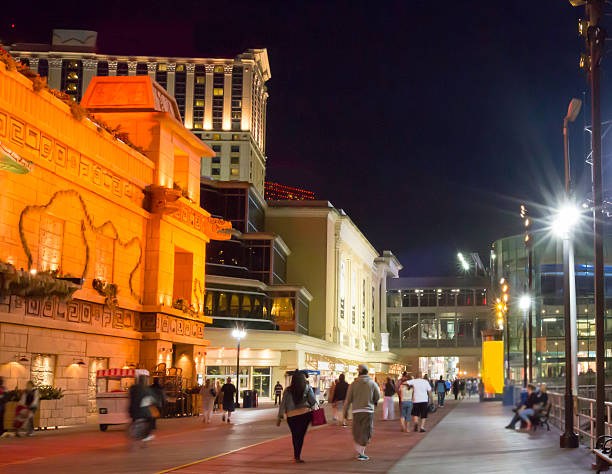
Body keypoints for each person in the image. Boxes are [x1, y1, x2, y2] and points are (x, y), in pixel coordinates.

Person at [277, 370, 316, 463]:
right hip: (304, 414)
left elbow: (283, 404)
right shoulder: (307, 388)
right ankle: (297, 456)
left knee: (295, 436)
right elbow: (313, 402)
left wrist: (280, 416)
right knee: (301, 436)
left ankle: (296, 456)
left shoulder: (288, 390)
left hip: (291, 416)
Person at [343, 364, 380, 461]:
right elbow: (377, 396)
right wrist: (374, 402)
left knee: (357, 430)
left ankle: (359, 451)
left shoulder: (353, 384)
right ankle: (361, 452)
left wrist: (345, 411)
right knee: (366, 431)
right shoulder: (372, 383)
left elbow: (348, 399)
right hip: (368, 410)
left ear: (359, 372)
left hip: (356, 411)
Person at [128, 375, 154, 443]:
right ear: (144, 381)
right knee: (151, 419)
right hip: (142, 411)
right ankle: (147, 435)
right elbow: (151, 398)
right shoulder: (147, 388)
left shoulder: (133, 388)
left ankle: (133, 430)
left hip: (132, 410)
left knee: (134, 419)